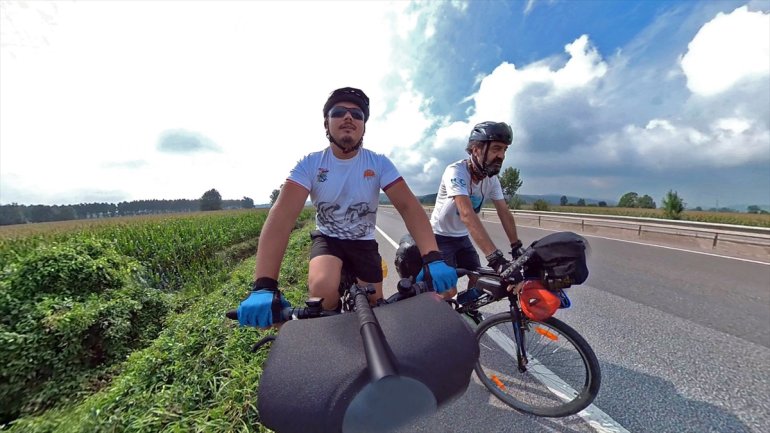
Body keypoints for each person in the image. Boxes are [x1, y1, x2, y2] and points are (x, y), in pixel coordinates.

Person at [237, 87, 458, 328]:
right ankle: (332, 328)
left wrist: (433, 257)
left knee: (375, 305)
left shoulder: (379, 163)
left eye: (357, 114)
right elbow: (282, 217)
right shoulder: (310, 164)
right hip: (328, 239)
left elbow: (408, 206)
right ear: (326, 124)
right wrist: (264, 285)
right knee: (322, 291)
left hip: (363, 242)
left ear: (363, 127)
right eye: (339, 112)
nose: (349, 117)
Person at [429, 121, 523, 291]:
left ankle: (468, 304)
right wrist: (495, 259)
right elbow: (466, 214)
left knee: (479, 280)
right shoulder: (456, 171)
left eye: (504, 150)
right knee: (448, 290)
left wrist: (516, 245)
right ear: (476, 149)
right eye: (496, 149)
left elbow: (503, 211)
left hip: (462, 237)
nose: (501, 156)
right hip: (440, 237)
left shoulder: (492, 180)